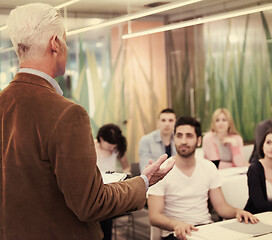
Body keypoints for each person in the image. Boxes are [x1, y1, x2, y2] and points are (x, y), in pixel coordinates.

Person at [0, 4, 174, 239]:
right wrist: (143, 181)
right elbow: (91, 204)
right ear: (55, 43)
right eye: (65, 40)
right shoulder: (66, 113)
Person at [148, 117, 258, 240]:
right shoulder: (161, 171)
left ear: (199, 141)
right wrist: (176, 224)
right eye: (179, 136)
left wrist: (238, 212)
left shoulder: (208, 167)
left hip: (205, 229)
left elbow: (221, 207)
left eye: (189, 136)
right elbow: (154, 216)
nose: (183, 141)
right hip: (175, 233)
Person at [94, 124, 130, 240]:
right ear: (101, 139)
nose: (111, 149)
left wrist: (123, 178)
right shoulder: (91, 146)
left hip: (110, 191)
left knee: (105, 211)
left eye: (113, 147)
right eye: (109, 146)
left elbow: (126, 168)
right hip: (94, 189)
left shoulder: (116, 150)